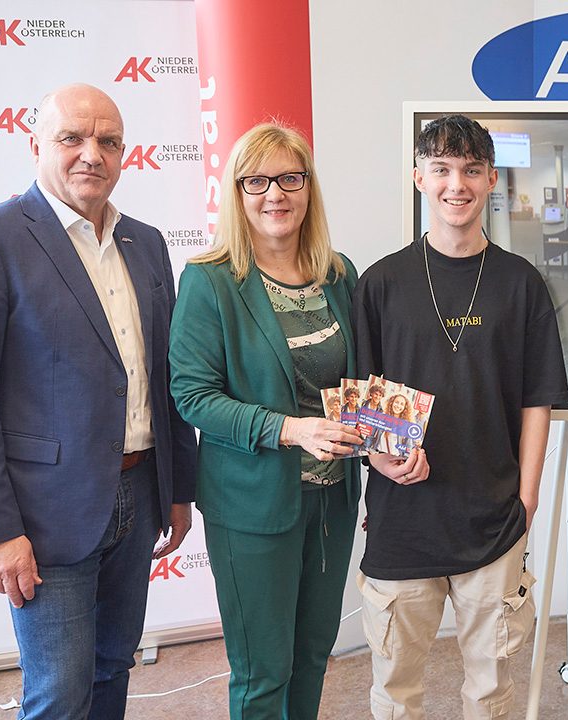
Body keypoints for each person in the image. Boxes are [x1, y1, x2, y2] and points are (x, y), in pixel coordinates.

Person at [0, 82, 197, 719]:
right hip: (42, 518)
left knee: (113, 667)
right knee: (60, 693)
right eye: (72, 138)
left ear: (124, 154)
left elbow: (164, 374)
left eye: (108, 141)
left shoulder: (146, 242)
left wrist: (177, 489)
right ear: (36, 144)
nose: (92, 153)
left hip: (139, 495)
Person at [353, 114, 568, 719]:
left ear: (492, 179)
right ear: (419, 176)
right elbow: (365, 399)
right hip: (402, 527)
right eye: (442, 168)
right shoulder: (380, 284)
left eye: (472, 169)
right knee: (395, 694)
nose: (457, 184)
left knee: (490, 694)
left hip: (493, 525)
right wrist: (379, 456)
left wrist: (525, 501)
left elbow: (537, 401)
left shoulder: (521, 284)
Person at [168, 122, 364, 718]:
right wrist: (291, 429)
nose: (274, 193)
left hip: (331, 502)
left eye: (289, 178)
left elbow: (356, 384)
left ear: (308, 189)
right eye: (257, 181)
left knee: (311, 657)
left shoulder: (338, 274)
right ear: (238, 191)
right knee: (262, 673)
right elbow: (193, 396)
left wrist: (387, 438)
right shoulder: (210, 280)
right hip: (253, 506)